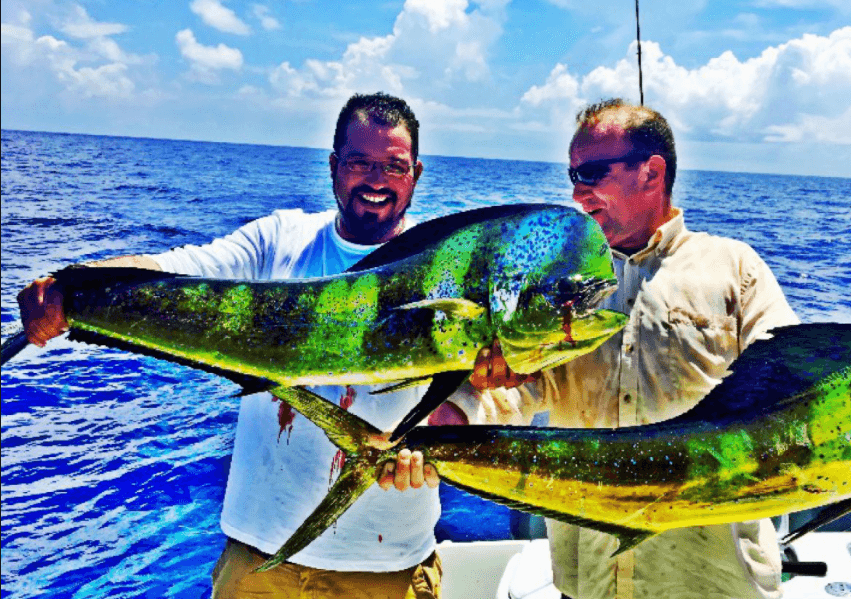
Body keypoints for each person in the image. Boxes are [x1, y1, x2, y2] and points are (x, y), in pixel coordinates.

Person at [18, 92, 471, 599]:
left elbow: (478, 392)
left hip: (389, 568)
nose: (377, 180)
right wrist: (73, 285)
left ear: (416, 173)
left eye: (394, 166)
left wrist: (456, 422)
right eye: (360, 162)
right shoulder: (279, 239)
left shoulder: (449, 269)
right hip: (259, 563)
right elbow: (179, 270)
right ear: (332, 166)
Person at [471, 98, 800, 599]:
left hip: (712, 583)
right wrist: (464, 403)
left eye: (592, 173)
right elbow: (517, 392)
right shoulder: (560, 283)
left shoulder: (736, 267)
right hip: (591, 583)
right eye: (571, 175)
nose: (577, 193)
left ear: (652, 172)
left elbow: (799, 387)